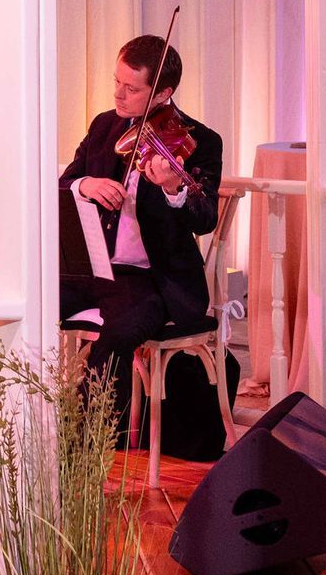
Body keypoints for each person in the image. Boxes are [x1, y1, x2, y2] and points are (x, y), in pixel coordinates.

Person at [62, 35, 223, 435]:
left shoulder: (198, 141)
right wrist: (87, 185)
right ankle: (23, 426)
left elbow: (205, 218)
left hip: (149, 279)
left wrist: (173, 189)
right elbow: (65, 182)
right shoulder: (105, 126)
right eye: (117, 81)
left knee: (117, 335)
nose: (118, 93)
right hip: (93, 269)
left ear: (163, 93)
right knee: (17, 305)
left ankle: (86, 444)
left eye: (131, 89)